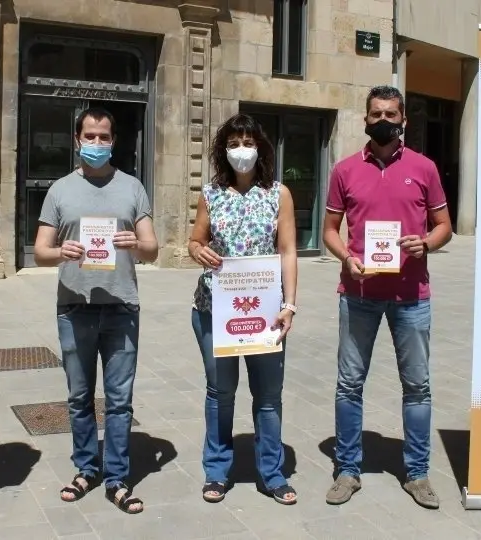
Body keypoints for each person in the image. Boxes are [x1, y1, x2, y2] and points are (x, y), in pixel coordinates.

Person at [322, 86, 452, 509]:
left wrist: (426, 245)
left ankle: (417, 474)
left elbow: (443, 225)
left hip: (411, 295)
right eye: (376, 113)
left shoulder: (425, 168)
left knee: (417, 386)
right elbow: (329, 231)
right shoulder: (344, 170)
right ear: (365, 119)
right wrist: (346, 257)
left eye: (391, 114)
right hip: (358, 293)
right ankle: (347, 469)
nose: (383, 120)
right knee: (349, 384)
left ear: (403, 121)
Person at [33, 107, 159, 515]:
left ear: (114, 140)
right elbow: (40, 251)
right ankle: (87, 468)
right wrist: (60, 252)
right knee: (80, 396)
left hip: (122, 307)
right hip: (74, 306)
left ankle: (118, 477)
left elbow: (152, 247)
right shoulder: (60, 191)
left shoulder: (132, 187)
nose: (98, 144)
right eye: (90, 136)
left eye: (104, 137)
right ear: (77, 139)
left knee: (119, 400)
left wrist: (133, 245)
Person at [188, 113, 299, 505]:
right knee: (220, 393)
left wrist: (289, 303)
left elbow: (287, 250)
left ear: (260, 148)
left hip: (265, 311)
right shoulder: (211, 194)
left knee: (268, 395)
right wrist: (198, 250)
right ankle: (216, 471)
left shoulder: (278, 194)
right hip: (214, 309)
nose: (241, 151)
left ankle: (272, 472)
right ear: (223, 150)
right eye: (233, 143)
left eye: (248, 142)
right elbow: (195, 240)